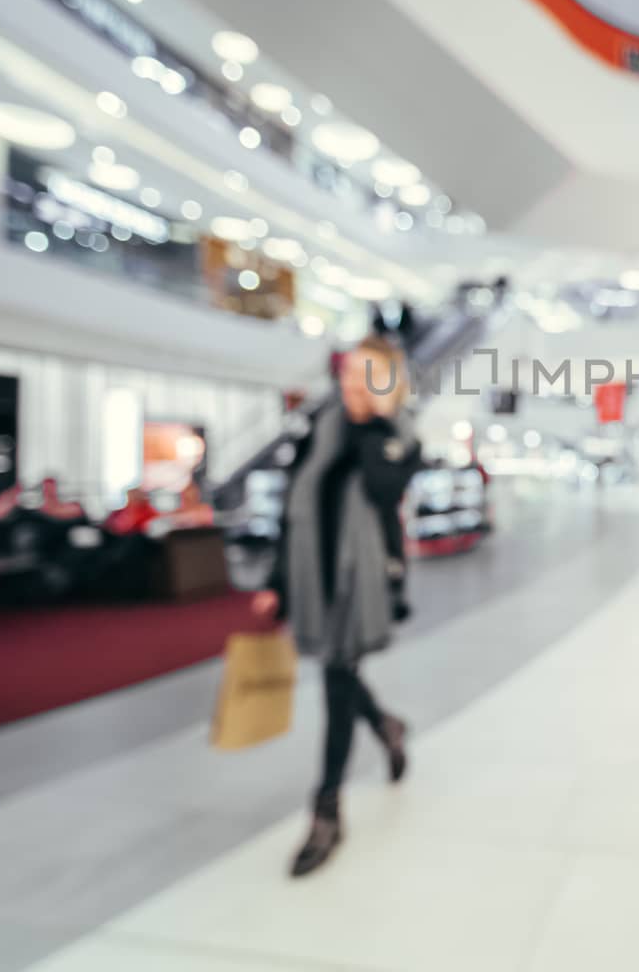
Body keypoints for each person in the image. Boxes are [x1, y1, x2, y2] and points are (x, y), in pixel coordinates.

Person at [253, 334, 423, 877]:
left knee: (337, 678)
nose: (351, 383)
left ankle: (326, 810)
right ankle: (388, 726)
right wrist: (277, 579)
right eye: (348, 372)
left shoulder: (399, 437)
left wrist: (374, 423)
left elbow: (382, 490)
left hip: (362, 582)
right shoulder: (318, 427)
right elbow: (295, 502)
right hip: (312, 576)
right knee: (340, 671)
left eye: (365, 374)